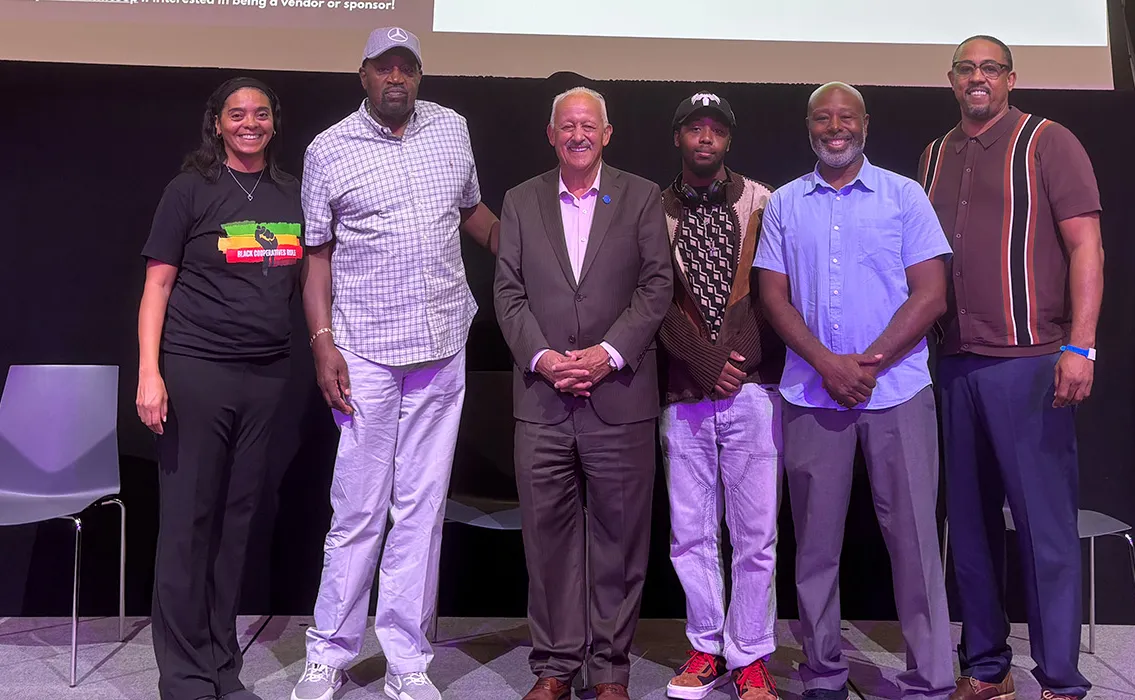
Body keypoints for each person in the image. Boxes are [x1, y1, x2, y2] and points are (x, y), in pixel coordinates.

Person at [291, 26, 500, 700]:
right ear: (364, 76)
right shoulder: (329, 149)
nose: (397, 79)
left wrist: (534, 251)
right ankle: (329, 652)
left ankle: (408, 661)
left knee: (421, 510)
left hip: (441, 347)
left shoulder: (452, 129)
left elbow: (472, 213)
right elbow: (315, 255)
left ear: (418, 75)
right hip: (365, 353)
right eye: (385, 68)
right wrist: (323, 343)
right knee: (357, 509)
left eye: (407, 68)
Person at [754, 82, 955, 700]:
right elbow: (772, 297)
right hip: (813, 396)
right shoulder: (787, 203)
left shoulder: (905, 195)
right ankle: (823, 675)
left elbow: (931, 294)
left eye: (845, 116)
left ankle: (930, 679)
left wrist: (866, 363)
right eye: (822, 117)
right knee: (814, 546)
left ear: (865, 123)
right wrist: (826, 364)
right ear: (808, 126)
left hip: (897, 390)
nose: (834, 127)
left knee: (917, 544)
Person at [918, 35, 1105, 700]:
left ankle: (1059, 678)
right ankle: (988, 668)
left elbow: (1087, 247)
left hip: (1029, 365)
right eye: (966, 69)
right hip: (957, 365)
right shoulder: (935, 155)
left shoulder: (1048, 142)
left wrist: (1079, 346)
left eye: (989, 69)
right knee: (967, 528)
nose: (977, 79)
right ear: (951, 80)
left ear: (1010, 78)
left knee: (1043, 530)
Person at [493, 86, 673, 700]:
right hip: (542, 399)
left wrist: (606, 354)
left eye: (587, 125)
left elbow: (656, 287)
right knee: (547, 540)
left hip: (618, 392)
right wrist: (544, 359)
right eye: (566, 125)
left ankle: (611, 672)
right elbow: (508, 293)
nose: (577, 134)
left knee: (621, 540)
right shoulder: (520, 201)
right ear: (551, 134)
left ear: (607, 133)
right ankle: (554, 666)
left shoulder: (643, 197)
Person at [136, 77, 303, 700]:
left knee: (235, 527)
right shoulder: (190, 190)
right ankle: (182, 676)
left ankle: (220, 669)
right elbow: (156, 287)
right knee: (188, 524)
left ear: (273, 122)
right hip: (195, 370)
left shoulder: (291, 192)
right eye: (237, 114)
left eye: (261, 113)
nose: (250, 123)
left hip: (266, 376)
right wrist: (150, 373)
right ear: (217, 123)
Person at [655, 92, 784, 700]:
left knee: (755, 533)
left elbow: (776, 293)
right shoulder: (650, 208)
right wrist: (703, 361)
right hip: (684, 393)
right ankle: (706, 647)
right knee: (691, 532)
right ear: (678, 137)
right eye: (694, 129)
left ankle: (751, 655)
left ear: (728, 140)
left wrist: (737, 360)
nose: (705, 139)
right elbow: (649, 300)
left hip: (752, 391)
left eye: (716, 130)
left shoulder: (764, 200)